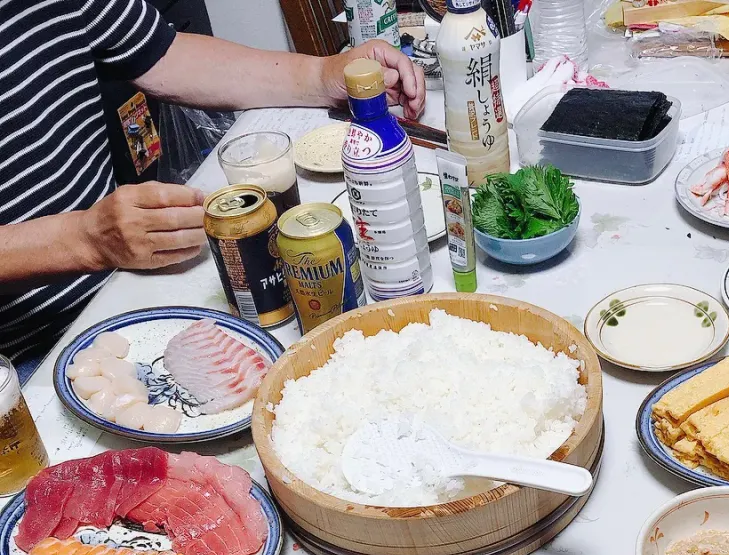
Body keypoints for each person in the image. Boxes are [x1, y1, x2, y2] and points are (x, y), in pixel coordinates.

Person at [0, 0, 426, 369]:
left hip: (108, 302)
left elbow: (161, 55)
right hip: (20, 355)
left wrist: (322, 75)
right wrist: (81, 239)